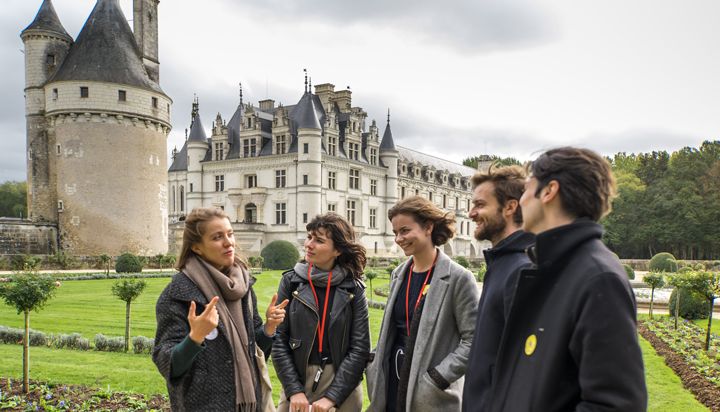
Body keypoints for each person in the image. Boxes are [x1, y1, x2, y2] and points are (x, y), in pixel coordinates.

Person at [488, 147, 647, 411]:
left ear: (549, 191)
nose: (521, 200)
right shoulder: (551, 268)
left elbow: (615, 404)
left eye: (526, 189)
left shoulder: (598, 278)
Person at [153, 207, 289, 411]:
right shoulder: (178, 294)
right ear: (197, 247)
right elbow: (169, 366)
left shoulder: (243, 287)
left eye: (230, 234)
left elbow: (254, 352)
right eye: (217, 237)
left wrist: (269, 328)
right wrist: (195, 338)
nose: (229, 242)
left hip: (251, 404)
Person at [366, 196, 479, 412]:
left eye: (405, 231)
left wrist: (438, 377)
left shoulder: (459, 278)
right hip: (392, 380)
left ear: (428, 227)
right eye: (395, 232)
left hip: (429, 392)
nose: (399, 239)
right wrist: (374, 360)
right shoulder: (399, 274)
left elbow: (474, 339)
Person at [272, 213, 370, 412]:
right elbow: (278, 340)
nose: (309, 244)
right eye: (309, 237)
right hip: (297, 380)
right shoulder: (291, 282)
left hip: (342, 385)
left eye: (318, 240)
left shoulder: (354, 288)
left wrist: (332, 397)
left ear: (338, 250)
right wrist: (294, 390)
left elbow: (359, 348)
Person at [462, 165, 535, 412]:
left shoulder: (521, 270)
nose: (471, 213)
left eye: (480, 205)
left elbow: (524, 370)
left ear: (510, 207)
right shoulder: (502, 263)